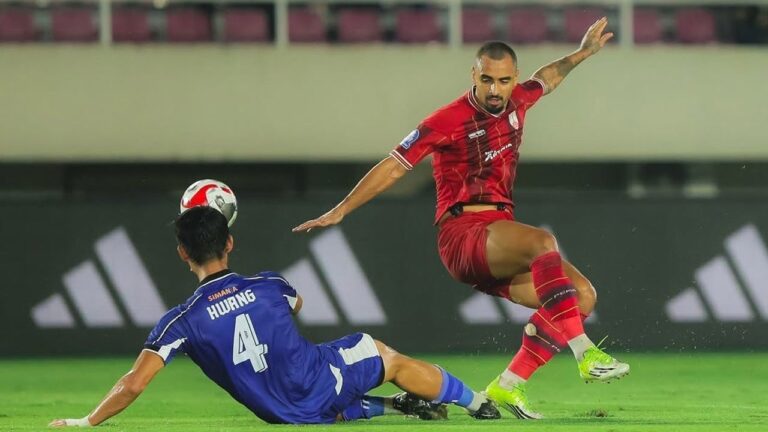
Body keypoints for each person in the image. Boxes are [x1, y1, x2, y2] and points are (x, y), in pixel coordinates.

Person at [293, 18, 629, 419]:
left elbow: (548, 78)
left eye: (503, 81)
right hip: (463, 234)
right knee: (542, 242)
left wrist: (583, 53)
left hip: (496, 241)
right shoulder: (447, 120)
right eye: (486, 79)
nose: (494, 89)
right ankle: (585, 352)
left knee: (581, 297)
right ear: (474, 74)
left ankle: (508, 387)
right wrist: (342, 209)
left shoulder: (520, 99)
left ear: (513, 78)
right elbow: (396, 164)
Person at [49, 206, 499, 427]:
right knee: (383, 355)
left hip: (279, 413)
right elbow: (296, 304)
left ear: (183, 253)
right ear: (230, 243)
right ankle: (479, 404)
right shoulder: (269, 286)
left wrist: (87, 421)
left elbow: (133, 383)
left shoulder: (179, 322)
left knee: (304, 392)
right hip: (313, 384)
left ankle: (396, 406)